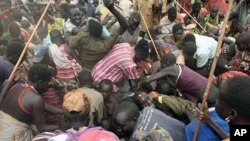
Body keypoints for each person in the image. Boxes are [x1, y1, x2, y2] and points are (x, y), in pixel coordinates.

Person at [0, 64, 62, 140]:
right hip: (14, 136)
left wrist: (62, 112)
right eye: (48, 82)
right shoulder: (36, 99)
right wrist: (61, 126)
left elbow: (41, 105)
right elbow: (42, 128)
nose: (48, 84)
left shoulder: (17, 86)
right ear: (40, 81)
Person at [68, 0, 128, 70]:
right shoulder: (106, 44)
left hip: (87, 68)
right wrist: (111, 8)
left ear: (88, 31)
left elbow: (70, 43)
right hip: (101, 69)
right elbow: (124, 25)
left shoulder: (83, 37)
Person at [141, 53, 217, 104]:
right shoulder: (178, 65)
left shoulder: (169, 69)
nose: (161, 65)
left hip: (202, 89)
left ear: (167, 64)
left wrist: (142, 82)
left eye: (162, 63)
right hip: (205, 83)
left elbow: (149, 80)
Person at [113, 101, 185, 141]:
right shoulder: (148, 110)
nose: (119, 129)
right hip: (187, 134)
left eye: (122, 126)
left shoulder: (135, 138)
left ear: (134, 120)